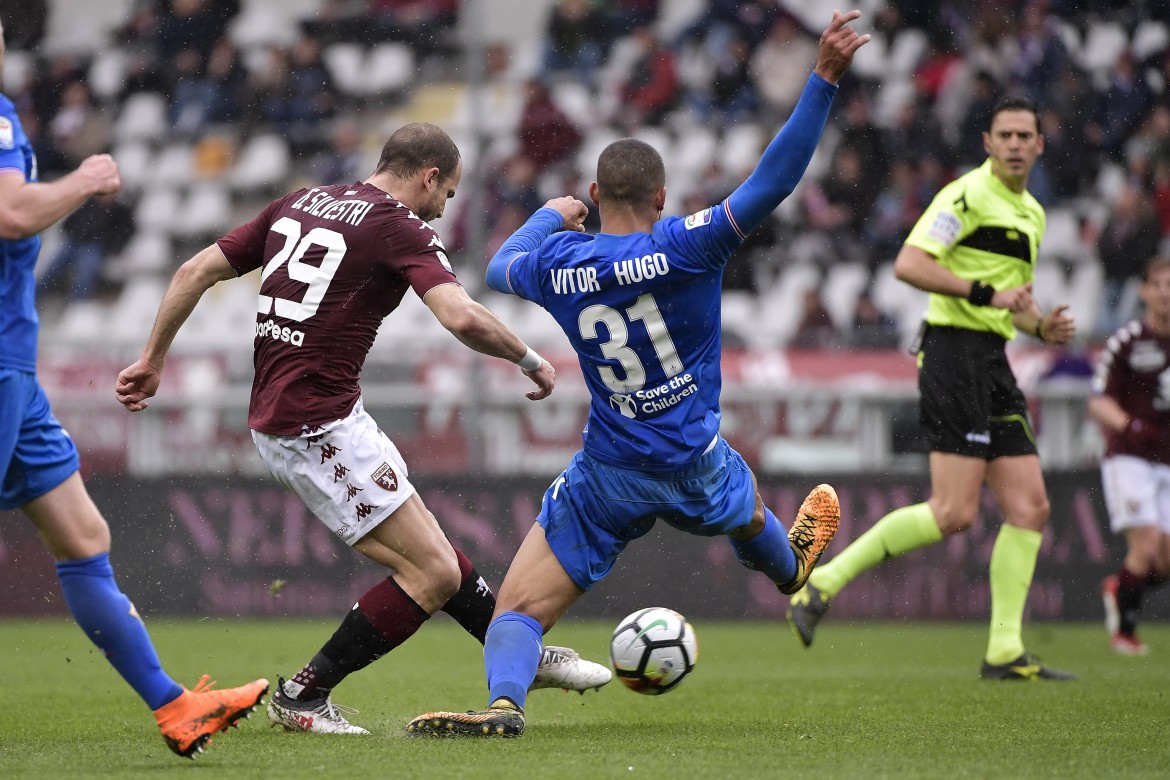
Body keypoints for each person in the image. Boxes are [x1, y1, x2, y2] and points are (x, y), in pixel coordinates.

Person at [405, 10, 869, 739]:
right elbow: (776, 177)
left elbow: (496, 267)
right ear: (660, 197)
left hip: (610, 470)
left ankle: (504, 706)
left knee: (519, 608)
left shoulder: (562, 262)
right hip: (694, 460)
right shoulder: (692, 243)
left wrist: (550, 215)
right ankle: (790, 573)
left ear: (595, 191)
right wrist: (823, 80)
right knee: (749, 516)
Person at [115, 122, 611, 736]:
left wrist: (154, 359)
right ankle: (302, 696)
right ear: (429, 176)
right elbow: (459, 315)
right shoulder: (398, 225)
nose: (444, 206)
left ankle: (519, 653)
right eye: (448, 194)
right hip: (312, 424)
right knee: (430, 573)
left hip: (322, 413)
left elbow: (193, 270)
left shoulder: (298, 201)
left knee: (436, 558)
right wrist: (529, 358)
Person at [0, 19, 267, 759]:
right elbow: (12, 213)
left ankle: (174, 705)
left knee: (84, 537)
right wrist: (85, 180)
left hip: (14, 371)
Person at [787, 96, 1079, 681]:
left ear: (1040, 145)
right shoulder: (966, 195)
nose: (1017, 144)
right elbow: (910, 264)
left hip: (992, 357)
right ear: (988, 143)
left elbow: (1012, 302)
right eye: (1007, 135)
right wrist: (984, 296)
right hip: (952, 352)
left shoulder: (1034, 215)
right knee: (953, 512)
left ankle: (1004, 651)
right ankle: (819, 584)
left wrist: (1041, 326)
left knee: (1030, 506)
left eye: (1027, 135)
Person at [1088, 256, 1170, 657]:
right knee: (1147, 541)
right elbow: (1098, 402)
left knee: (1165, 561)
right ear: (1144, 291)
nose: (1166, 293)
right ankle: (1125, 633)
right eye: (1158, 284)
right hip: (1130, 458)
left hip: (1168, 460)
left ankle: (1120, 586)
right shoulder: (1128, 341)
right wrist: (1131, 426)